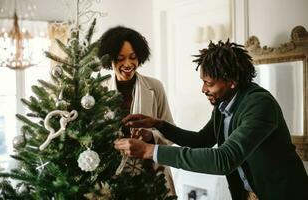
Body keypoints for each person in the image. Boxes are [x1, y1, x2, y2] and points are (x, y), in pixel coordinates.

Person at [114, 40, 308, 200]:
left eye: (209, 83)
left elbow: (224, 159)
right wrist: (158, 124)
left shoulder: (259, 104)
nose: (203, 90)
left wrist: (150, 151)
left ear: (232, 81)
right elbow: (202, 140)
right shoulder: (224, 104)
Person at [97, 26, 176, 195]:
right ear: (110, 60)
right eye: (120, 58)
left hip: (152, 175)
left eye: (133, 57)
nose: (128, 64)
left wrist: (151, 136)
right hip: (112, 178)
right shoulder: (98, 90)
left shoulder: (155, 87)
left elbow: (170, 131)